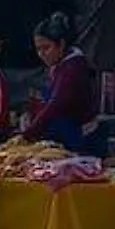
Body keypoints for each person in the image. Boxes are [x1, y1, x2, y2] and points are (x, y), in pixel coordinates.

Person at [23, 12, 98, 152]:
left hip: (80, 139)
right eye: (38, 49)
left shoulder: (73, 67)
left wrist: (29, 134)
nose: (41, 54)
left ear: (61, 44)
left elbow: (56, 104)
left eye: (46, 48)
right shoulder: (58, 65)